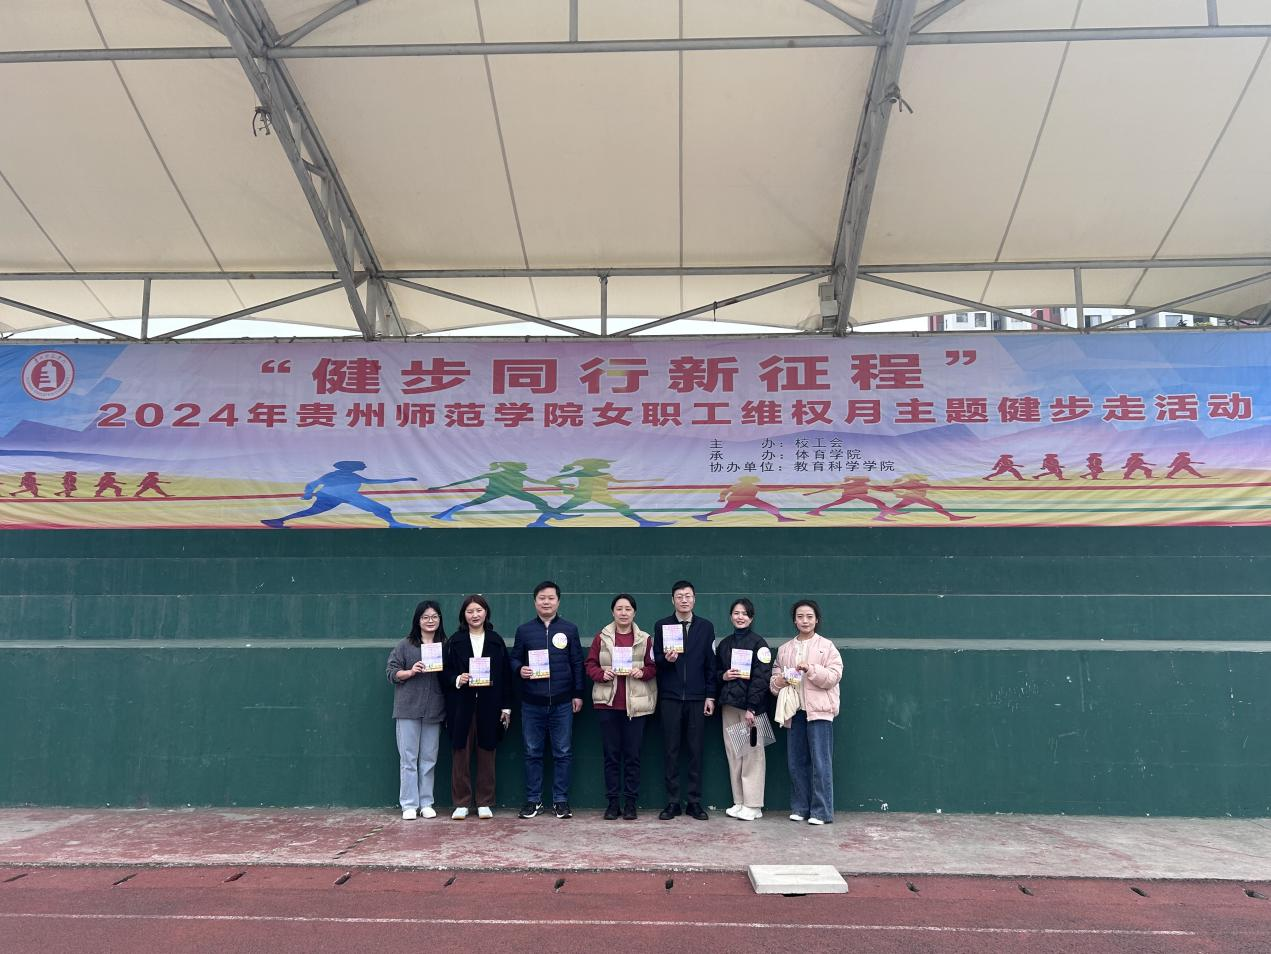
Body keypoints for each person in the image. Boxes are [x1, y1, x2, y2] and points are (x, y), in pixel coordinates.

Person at [509, 581, 584, 819]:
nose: (546, 602)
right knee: (532, 752)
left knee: (563, 752)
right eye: (542, 598)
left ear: (558, 601)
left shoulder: (569, 629)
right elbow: (514, 659)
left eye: (551, 598)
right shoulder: (524, 630)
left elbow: (577, 663)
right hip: (532, 703)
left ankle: (561, 801)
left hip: (562, 703)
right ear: (535, 602)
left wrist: (578, 694)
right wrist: (519, 669)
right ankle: (534, 801)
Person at [770, 600, 843, 827]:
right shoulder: (784, 649)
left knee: (821, 763)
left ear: (817, 620)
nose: (805, 621)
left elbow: (833, 677)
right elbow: (773, 683)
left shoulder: (827, 646)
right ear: (794, 620)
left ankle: (821, 812)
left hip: (819, 713)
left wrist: (811, 669)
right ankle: (800, 808)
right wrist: (781, 680)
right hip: (794, 712)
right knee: (796, 762)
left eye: (809, 616)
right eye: (800, 616)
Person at [585, 593, 657, 820]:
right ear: (612, 612)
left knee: (633, 756)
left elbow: (654, 667)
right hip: (608, 705)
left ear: (634, 612)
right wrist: (601, 674)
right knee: (611, 756)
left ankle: (631, 803)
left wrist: (642, 672)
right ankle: (613, 803)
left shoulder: (645, 639)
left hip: (636, 706)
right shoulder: (601, 637)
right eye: (619, 609)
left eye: (628, 609)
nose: (623, 613)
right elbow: (590, 664)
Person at [652, 580, 718, 820]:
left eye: (688, 596)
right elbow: (655, 660)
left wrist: (710, 695)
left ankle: (694, 802)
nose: (684, 600)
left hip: (697, 698)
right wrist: (666, 659)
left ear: (694, 599)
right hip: (670, 697)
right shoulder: (662, 625)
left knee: (695, 750)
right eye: (679, 596)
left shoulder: (706, 627)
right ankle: (672, 802)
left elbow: (711, 665)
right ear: (673, 600)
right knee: (670, 750)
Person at [443, 594, 512, 819]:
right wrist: (457, 678)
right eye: (470, 611)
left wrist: (506, 707)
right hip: (460, 705)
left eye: (479, 611)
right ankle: (461, 802)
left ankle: (484, 801)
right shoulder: (455, 641)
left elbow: (505, 676)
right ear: (463, 615)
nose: (475, 615)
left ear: (486, 613)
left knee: (487, 752)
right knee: (460, 753)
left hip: (489, 704)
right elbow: (444, 672)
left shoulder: (495, 640)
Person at [713, 598, 773, 821]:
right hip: (729, 706)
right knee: (734, 754)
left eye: (745, 613)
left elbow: (762, 678)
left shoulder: (759, 644)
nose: (740, 617)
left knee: (752, 755)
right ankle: (739, 801)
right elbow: (715, 673)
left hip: (751, 710)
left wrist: (752, 708)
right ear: (731, 616)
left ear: (751, 618)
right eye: (736, 613)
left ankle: (753, 804)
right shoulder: (725, 644)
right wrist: (723, 676)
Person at [386, 600, 447, 820]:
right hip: (408, 708)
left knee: (429, 758)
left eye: (434, 617)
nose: (430, 621)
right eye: (425, 617)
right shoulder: (405, 645)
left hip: (434, 709)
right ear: (418, 620)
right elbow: (391, 672)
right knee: (408, 759)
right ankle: (409, 804)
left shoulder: (445, 645)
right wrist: (410, 672)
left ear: (440, 619)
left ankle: (426, 802)